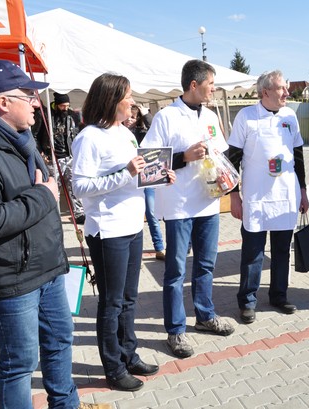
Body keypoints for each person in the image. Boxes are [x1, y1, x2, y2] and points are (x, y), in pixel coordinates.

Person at [0, 59, 108, 409]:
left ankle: (66, 405)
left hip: (47, 267)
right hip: (10, 278)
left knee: (59, 342)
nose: (37, 103)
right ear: (3, 102)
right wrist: (42, 197)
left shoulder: (20, 136)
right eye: (28, 95)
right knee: (19, 363)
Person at [72, 73, 164, 392]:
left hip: (132, 225)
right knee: (111, 303)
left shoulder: (125, 133)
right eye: (128, 97)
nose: (133, 102)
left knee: (129, 299)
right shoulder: (89, 137)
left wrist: (158, 176)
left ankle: (129, 355)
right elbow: (80, 187)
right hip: (108, 229)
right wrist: (126, 173)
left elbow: (134, 175)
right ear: (112, 100)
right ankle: (113, 367)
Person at [141, 59, 235, 359]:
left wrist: (225, 175)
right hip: (179, 206)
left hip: (208, 201)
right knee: (176, 270)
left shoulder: (210, 115)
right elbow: (148, 163)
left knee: (206, 265)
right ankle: (175, 330)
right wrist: (184, 156)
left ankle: (205, 315)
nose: (214, 89)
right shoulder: (166, 117)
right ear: (194, 85)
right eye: (211, 84)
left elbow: (221, 152)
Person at [227, 70, 309, 324]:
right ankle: (247, 301)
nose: (287, 92)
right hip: (256, 197)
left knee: (282, 250)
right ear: (265, 92)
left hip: (285, 195)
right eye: (282, 88)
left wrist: (303, 190)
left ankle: (279, 295)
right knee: (253, 252)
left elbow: (298, 156)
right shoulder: (246, 116)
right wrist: (233, 195)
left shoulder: (290, 116)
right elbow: (232, 159)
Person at [124, 105, 166, 261]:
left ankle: (159, 247)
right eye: (128, 117)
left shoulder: (142, 132)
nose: (129, 120)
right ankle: (132, 251)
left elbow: (153, 126)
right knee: (131, 214)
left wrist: (145, 114)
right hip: (128, 180)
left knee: (151, 213)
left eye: (133, 117)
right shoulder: (119, 133)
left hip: (146, 178)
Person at [45, 91, 86, 224]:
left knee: (74, 185)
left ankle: (79, 213)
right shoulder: (47, 115)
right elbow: (36, 135)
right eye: (62, 106)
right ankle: (53, 214)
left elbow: (78, 133)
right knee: (54, 187)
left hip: (70, 156)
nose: (65, 108)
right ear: (56, 105)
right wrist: (42, 151)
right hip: (53, 157)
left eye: (67, 105)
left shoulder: (72, 115)